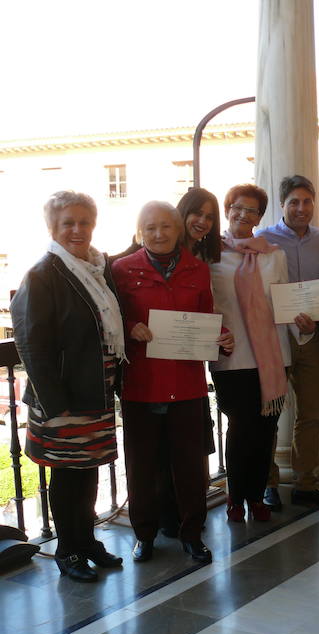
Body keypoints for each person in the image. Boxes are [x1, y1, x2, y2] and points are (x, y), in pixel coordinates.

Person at [11, 191, 125, 582]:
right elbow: (30, 342)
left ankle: (87, 540)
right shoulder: (42, 275)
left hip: (95, 389)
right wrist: (56, 402)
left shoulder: (96, 268)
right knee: (66, 476)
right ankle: (67, 550)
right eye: (68, 223)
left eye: (84, 222)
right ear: (52, 229)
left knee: (89, 470)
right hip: (61, 397)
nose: (78, 230)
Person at [113, 201, 232, 565]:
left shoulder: (198, 269)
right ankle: (144, 535)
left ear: (178, 229)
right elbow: (110, 318)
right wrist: (129, 326)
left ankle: (192, 534)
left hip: (186, 384)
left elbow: (205, 317)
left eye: (166, 226)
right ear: (140, 233)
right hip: (141, 384)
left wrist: (221, 336)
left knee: (190, 466)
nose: (159, 234)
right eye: (150, 228)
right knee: (142, 466)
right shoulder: (120, 270)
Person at [255, 175, 319, 508]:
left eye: (307, 201)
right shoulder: (263, 239)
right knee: (271, 412)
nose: (301, 208)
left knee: (310, 413)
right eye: (294, 202)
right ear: (282, 204)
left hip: (311, 337)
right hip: (276, 336)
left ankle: (306, 483)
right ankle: (269, 483)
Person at [209, 184, 291, 524]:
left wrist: (301, 318)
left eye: (253, 210)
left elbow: (284, 300)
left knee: (265, 431)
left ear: (260, 216)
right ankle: (235, 496)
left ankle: (256, 496)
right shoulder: (212, 255)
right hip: (232, 357)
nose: (244, 214)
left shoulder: (274, 255)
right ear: (228, 209)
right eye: (238, 207)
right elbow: (204, 305)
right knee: (240, 429)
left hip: (273, 357)